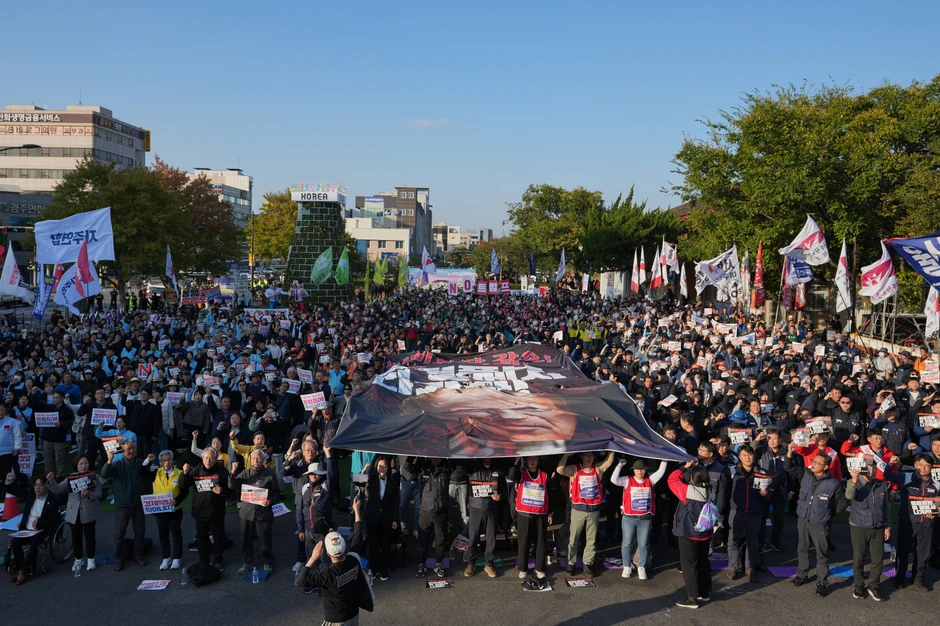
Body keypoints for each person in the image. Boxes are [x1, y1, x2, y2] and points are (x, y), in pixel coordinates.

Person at [295, 496, 373, 626]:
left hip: (335, 620)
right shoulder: (353, 560)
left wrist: (313, 558)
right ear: (344, 548)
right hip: (353, 615)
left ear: (327, 553)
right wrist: (356, 511)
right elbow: (357, 537)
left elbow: (300, 581)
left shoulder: (326, 574)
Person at [784, 441, 848, 595]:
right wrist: (789, 452)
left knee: (821, 553)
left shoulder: (834, 484)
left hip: (820, 523)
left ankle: (822, 581)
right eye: (813, 461)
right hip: (803, 519)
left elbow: (843, 502)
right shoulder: (806, 473)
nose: (813, 464)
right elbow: (788, 467)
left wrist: (829, 513)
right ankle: (802, 574)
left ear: (825, 467)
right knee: (802, 548)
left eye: (817, 463)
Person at [884, 453, 938, 591]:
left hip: (927, 524)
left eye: (927, 465)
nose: (923, 468)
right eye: (920, 465)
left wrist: (936, 513)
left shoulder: (937, 483)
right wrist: (890, 463)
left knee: (923, 553)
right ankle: (899, 578)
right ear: (915, 465)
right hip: (907, 522)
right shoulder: (906, 477)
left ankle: (918, 578)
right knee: (903, 552)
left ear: (932, 467)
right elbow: (887, 475)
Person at [557, 451, 615, 577]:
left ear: (594, 457)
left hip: (593, 511)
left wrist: (612, 449)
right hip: (578, 510)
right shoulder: (575, 469)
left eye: (591, 455)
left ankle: (588, 563)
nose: (589, 458)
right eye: (586, 455)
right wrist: (566, 456)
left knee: (591, 539)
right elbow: (560, 470)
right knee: (573, 538)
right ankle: (571, 562)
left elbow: (608, 462)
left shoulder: (597, 469)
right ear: (581, 457)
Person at [611, 458, 667, 580]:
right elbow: (613, 480)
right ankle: (626, 566)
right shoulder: (627, 480)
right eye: (637, 469)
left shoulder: (650, 479)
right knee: (627, 543)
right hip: (629, 518)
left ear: (646, 470)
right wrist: (619, 466)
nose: (640, 471)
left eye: (642, 469)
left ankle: (641, 567)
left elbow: (661, 471)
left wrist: (665, 459)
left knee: (644, 544)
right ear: (633, 470)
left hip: (645, 518)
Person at [668, 463, 715, 609]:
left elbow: (671, 479)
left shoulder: (687, 490)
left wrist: (683, 468)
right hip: (705, 532)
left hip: (689, 532)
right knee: (703, 562)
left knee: (689, 565)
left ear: (693, 479)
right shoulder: (711, 490)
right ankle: (704, 592)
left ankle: (691, 598)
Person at [47, 455, 103, 573]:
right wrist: (51, 481)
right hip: (74, 511)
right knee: (76, 537)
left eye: (86, 463)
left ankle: (91, 559)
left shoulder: (93, 477)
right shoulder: (70, 478)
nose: (83, 466)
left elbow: (99, 493)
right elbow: (58, 489)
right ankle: (78, 559)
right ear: (76, 466)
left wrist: (89, 494)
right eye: (81, 464)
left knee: (90, 536)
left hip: (89, 511)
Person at [846, 457, 891, 601]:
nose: (872, 470)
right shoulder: (854, 481)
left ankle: (873, 584)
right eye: (869, 468)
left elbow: (886, 507)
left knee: (878, 558)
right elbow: (849, 495)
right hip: (859, 526)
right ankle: (859, 584)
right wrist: (854, 479)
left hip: (878, 526)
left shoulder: (881, 485)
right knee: (859, 558)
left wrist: (887, 526)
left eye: (874, 468)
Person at [230, 448, 280, 575]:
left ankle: (267, 561)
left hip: (263, 513)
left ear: (263, 460)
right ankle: (247, 562)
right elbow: (231, 485)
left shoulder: (270, 475)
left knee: (265, 540)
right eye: (253, 458)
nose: (256, 460)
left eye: (258, 458)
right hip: (247, 513)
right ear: (250, 460)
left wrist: (270, 500)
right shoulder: (245, 473)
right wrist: (233, 472)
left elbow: (276, 492)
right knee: (245, 540)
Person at [4, 473, 61, 585]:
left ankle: (24, 570)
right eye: (36, 485)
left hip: (41, 530)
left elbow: (54, 520)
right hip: (26, 529)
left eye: (41, 485)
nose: (38, 488)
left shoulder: (53, 499)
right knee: (15, 542)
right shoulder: (31, 493)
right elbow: (13, 490)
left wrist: (40, 522)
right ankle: (20, 568)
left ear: (46, 486)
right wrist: (8, 481)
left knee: (34, 544)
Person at [179, 447, 229, 570]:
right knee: (202, 538)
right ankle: (204, 560)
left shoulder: (222, 472)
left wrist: (222, 490)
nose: (208, 460)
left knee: (218, 538)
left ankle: (218, 559)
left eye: (211, 458)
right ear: (202, 458)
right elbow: (183, 485)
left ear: (216, 459)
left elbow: (230, 490)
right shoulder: (196, 470)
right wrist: (184, 473)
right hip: (200, 511)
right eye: (206, 458)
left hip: (216, 511)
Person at [101, 439, 148, 570]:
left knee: (140, 531)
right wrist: (109, 461)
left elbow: (149, 477)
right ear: (123, 451)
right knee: (119, 533)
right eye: (128, 449)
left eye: (133, 448)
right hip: (122, 504)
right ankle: (118, 558)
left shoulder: (141, 463)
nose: (131, 451)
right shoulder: (117, 464)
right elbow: (104, 474)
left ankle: (139, 555)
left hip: (138, 503)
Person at [508, 456, 553, 580]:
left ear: (538, 460)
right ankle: (523, 568)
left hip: (540, 514)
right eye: (530, 459)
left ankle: (539, 568)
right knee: (524, 542)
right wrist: (517, 460)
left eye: (535, 459)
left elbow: (550, 494)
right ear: (526, 460)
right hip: (524, 513)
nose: (532, 461)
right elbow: (511, 475)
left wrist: (550, 513)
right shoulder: (521, 473)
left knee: (540, 542)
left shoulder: (544, 475)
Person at [143, 449, 188, 570]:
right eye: (164, 460)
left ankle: (177, 557)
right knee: (163, 534)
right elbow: (141, 473)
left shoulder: (179, 473)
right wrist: (147, 460)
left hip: (175, 509)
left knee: (176, 534)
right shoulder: (155, 472)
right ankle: (166, 557)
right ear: (160, 462)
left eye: (169, 459)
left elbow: (185, 491)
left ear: (172, 460)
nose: (167, 462)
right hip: (160, 510)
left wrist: (177, 500)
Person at [464, 457, 506, 578]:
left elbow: (503, 488)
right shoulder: (472, 466)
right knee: (473, 537)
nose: (487, 456)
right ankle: (471, 563)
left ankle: (489, 564)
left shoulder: (498, 469)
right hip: (475, 508)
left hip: (491, 509)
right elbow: (461, 466)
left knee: (491, 539)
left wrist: (500, 496)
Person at [284, 438, 322, 572]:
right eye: (307, 450)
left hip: (317, 500)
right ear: (303, 451)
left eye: (313, 449)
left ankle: (319, 558)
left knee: (317, 530)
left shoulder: (320, 464)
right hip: (300, 499)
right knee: (302, 531)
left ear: (317, 451)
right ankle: (301, 559)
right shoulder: (297, 463)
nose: (310, 452)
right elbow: (284, 472)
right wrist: (289, 460)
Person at [412, 457, 450, 578]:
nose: (435, 459)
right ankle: (421, 564)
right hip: (425, 512)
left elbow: (460, 467)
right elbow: (408, 468)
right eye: (433, 456)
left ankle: (438, 563)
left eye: (438, 456)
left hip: (440, 512)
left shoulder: (447, 469)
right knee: (423, 541)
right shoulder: (422, 469)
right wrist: (416, 455)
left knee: (440, 540)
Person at [365, 456, 400, 581]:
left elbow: (395, 502)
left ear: (388, 467)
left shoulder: (392, 481)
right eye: (380, 466)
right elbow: (358, 481)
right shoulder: (371, 479)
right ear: (376, 467)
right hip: (373, 517)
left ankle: (383, 570)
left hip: (386, 517)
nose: (382, 468)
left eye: (384, 466)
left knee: (385, 545)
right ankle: (373, 570)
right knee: (373, 545)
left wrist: (395, 519)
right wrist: (364, 469)